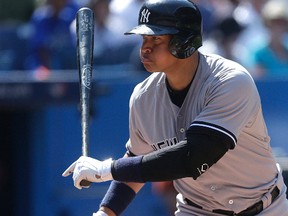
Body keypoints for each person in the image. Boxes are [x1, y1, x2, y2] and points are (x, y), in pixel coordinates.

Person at [62, 0, 288, 215]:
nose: (144, 49)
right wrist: (106, 211)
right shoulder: (143, 97)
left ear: (184, 42)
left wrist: (106, 170)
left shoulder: (229, 80)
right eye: (143, 40)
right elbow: (138, 158)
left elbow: (194, 157)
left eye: (155, 40)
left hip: (262, 208)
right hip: (196, 209)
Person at [249, 0, 288, 78]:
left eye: (281, 23)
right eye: (273, 23)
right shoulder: (258, 54)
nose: (277, 27)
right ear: (266, 25)